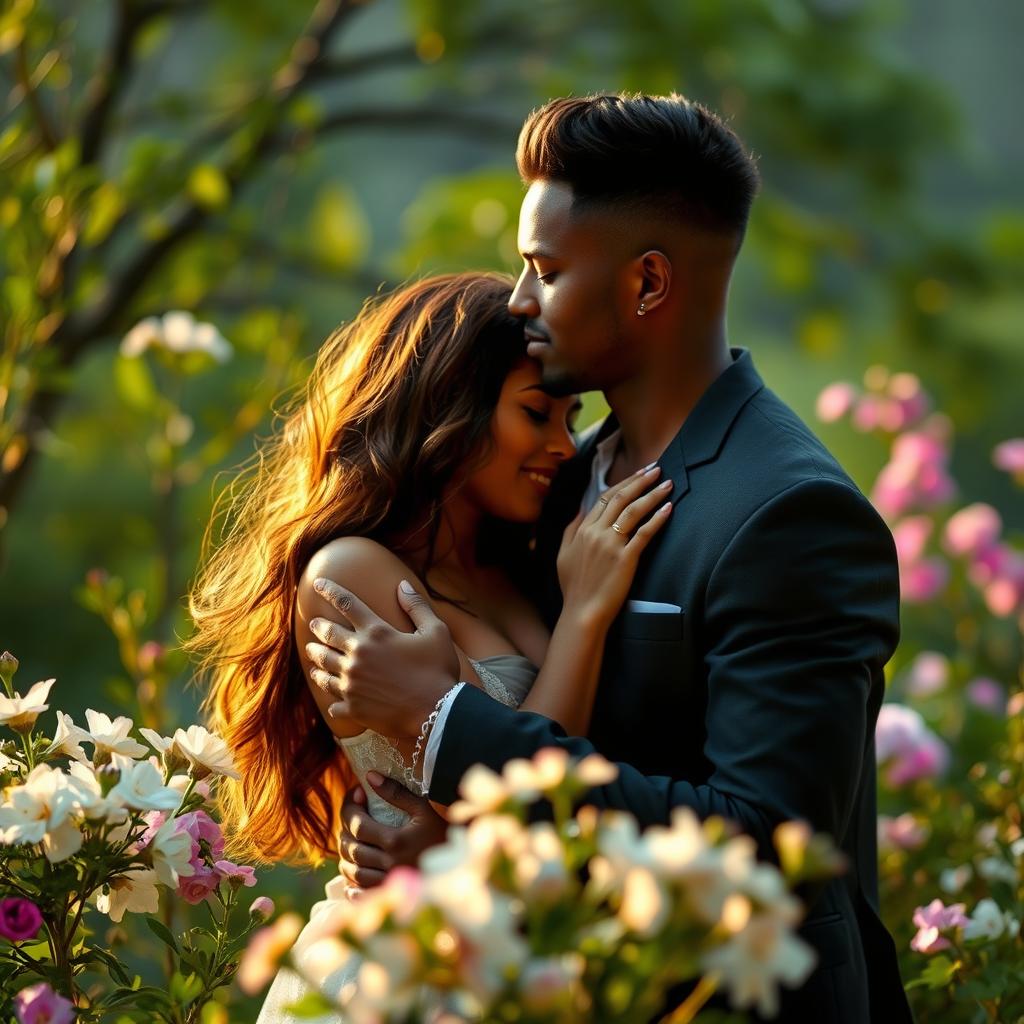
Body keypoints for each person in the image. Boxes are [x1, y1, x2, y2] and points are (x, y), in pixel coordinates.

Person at [307, 94, 913, 1023]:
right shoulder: (555, 482)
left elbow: (763, 847)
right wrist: (441, 837)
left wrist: (444, 730)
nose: (517, 300)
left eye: (544, 270)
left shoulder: (791, 514)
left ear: (648, 285)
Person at [186, 271, 671, 1022]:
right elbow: (531, 777)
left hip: (510, 964)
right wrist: (583, 618)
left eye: (570, 418)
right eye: (536, 413)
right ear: (449, 405)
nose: (561, 446)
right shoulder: (352, 573)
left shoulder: (517, 565)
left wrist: (450, 833)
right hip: (397, 974)